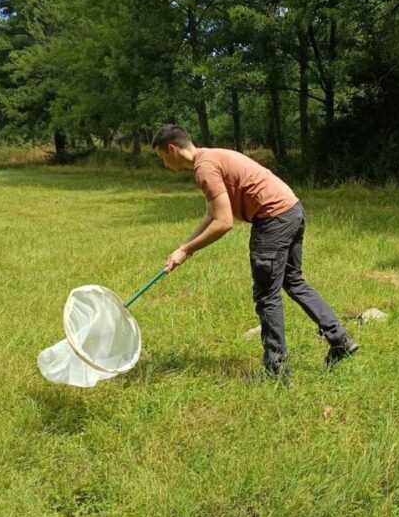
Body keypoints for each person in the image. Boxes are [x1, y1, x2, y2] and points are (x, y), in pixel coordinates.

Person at [151, 124, 358, 377]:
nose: (164, 164)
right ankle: (340, 340)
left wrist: (186, 250)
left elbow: (224, 222)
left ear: (172, 149)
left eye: (162, 158)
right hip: (292, 211)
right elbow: (211, 214)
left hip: (273, 220)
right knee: (293, 281)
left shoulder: (204, 169)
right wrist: (184, 248)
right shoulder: (211, 158)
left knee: (266, 295)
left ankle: (276, 368)